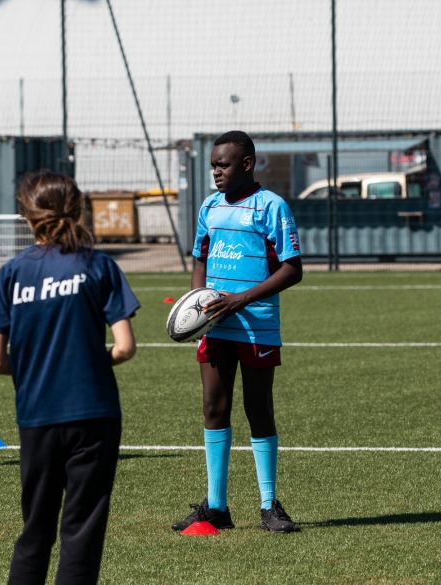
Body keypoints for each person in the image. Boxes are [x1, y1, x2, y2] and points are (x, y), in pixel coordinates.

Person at [0, 171, 139, 585]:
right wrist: (85, 361)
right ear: (79, 209)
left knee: (36, 530)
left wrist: (34, 363)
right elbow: (124, 347)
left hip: (38, 414)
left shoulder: (11, 273)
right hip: (94, 410)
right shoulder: (98, 265)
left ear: (27, 216)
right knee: (81, 532)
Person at [171, 130, 303, 534]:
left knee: (258, 408)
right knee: (214, 407)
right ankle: (216, 507)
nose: (216, 172)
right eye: (213, 165)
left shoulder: (271, 207)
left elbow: (292, 269)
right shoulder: (209, 207)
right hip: (217, 326)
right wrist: (197, 306)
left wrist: (240, 299)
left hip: (257, 324)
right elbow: (201, 258)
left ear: (247, 164)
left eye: (223, 165)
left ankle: (269, 506)